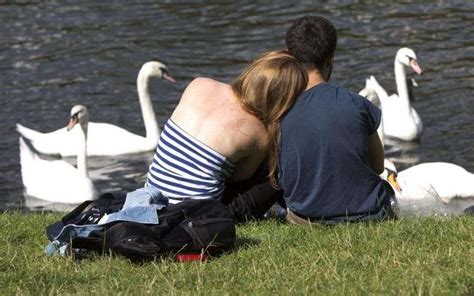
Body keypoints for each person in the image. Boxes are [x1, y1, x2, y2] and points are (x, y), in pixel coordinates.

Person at [144, 50, 308, 222]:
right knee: (278, 166)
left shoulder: (198, 84)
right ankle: (299, 212)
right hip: (198, 218)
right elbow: (239, 180)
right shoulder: (259, 133)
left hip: (152, 200)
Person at [278, 15, 394, 224]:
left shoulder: (279, 109)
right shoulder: (357, 104)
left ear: (290, 56)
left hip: (305, 217)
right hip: (368, 216)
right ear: (330, 58)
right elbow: (377, 166)